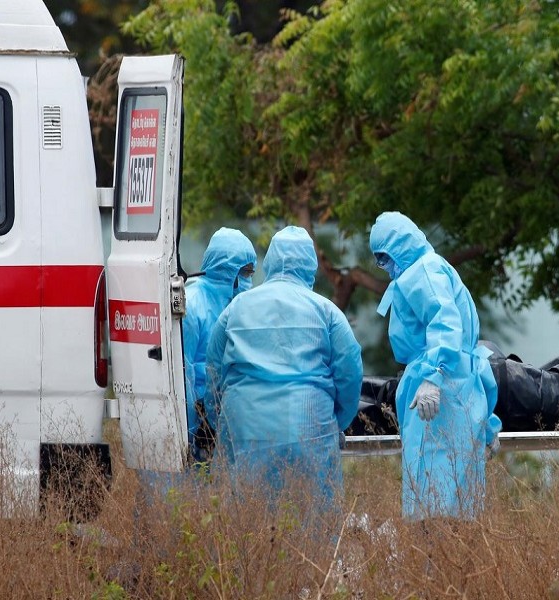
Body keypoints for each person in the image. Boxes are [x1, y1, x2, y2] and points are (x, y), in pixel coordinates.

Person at [205, 226, 363, 515]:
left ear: (271, 261)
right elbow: (350, 374)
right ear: (311, 265)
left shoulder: (236, 307)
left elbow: (214, 372)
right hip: (308, 426)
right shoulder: (327, 311)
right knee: (311, 521)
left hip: (243, 428)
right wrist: (335, 423)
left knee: (243, 524)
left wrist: (222, 421)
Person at [369, 211, 501, 521]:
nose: (384, 266)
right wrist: (487, 423)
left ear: (401, 246)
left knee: (433, 512)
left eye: (385, 256)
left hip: (441, 398)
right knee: (458, 509)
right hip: (458, 393)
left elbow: (445, 322)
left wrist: (432, 376)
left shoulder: (422, 272)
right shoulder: (431, 268)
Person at [182, 227, 257, 464]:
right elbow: (182, 372)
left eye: (251, 273)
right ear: (228, 270)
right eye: (245, 272)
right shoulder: (192, 305)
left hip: (227, 423)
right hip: (198, 424)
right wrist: (192, 431)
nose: (249, 281)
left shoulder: (240, 307)